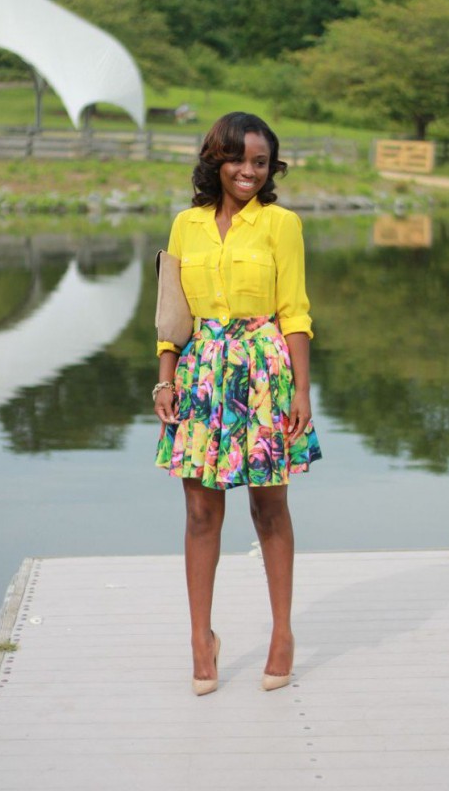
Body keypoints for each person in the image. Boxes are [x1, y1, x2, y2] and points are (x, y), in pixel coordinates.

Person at [153, 112, 321, 696]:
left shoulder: (282, 224)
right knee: (201, 512)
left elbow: (294, 311)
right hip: (200, 375)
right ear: (215, 161)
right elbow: (171, 315)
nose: (248, 171)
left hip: (263, 374)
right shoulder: (184, 226)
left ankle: (282, 635)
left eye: (260, 162)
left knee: (268, 507)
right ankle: (202, 639)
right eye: (238, 160)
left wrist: (301, 389)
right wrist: (164, 380)